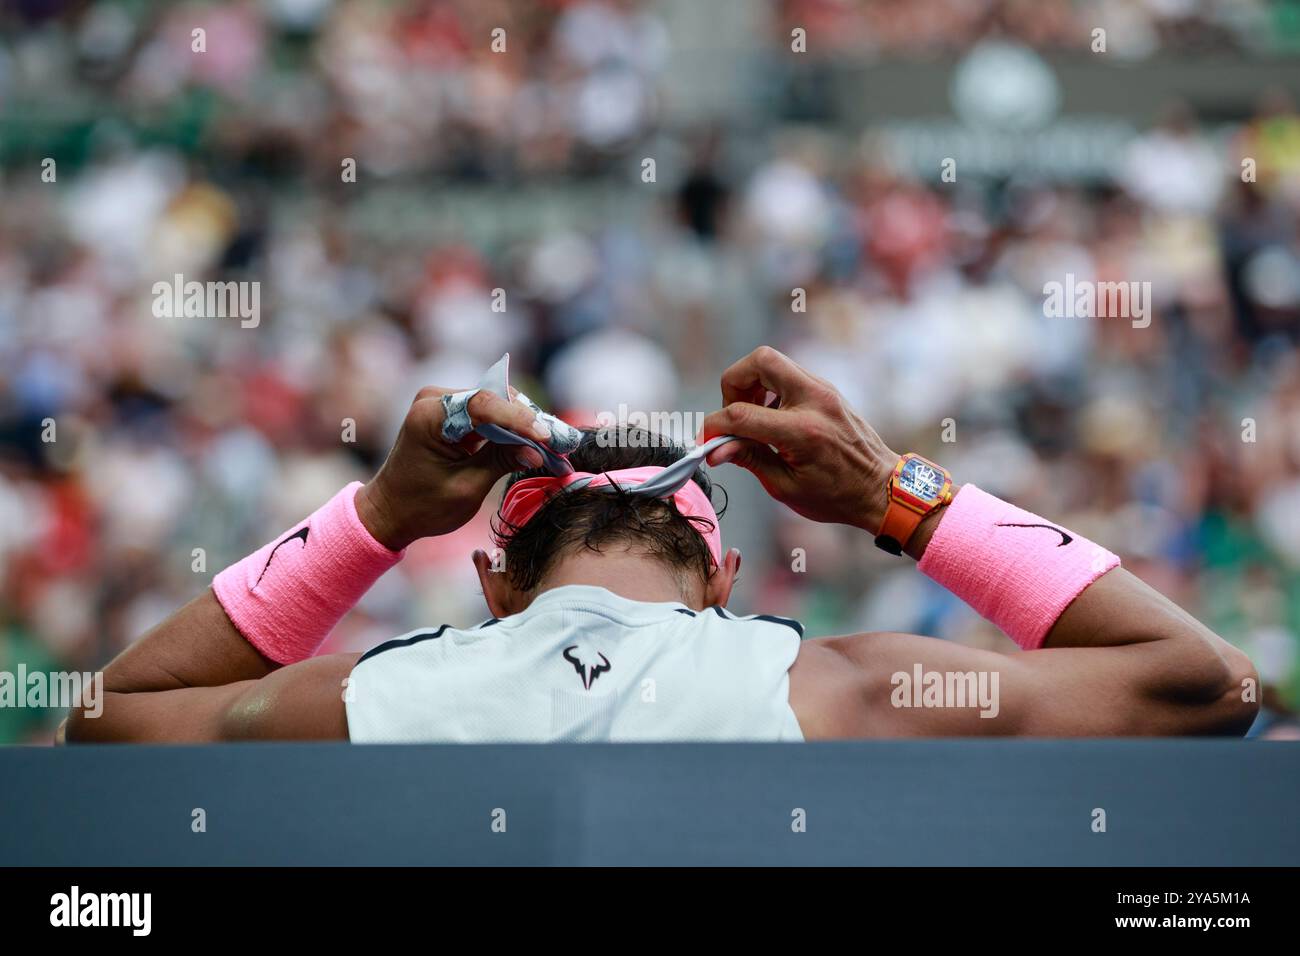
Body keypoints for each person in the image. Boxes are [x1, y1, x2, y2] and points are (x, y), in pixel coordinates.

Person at [62, 347, 1258, 743]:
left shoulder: (360, 700)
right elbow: (1209, 684)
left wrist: (375, 514)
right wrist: (899, 493)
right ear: (724, 577)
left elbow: (106, 720)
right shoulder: (851, 691)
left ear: (490, 574)